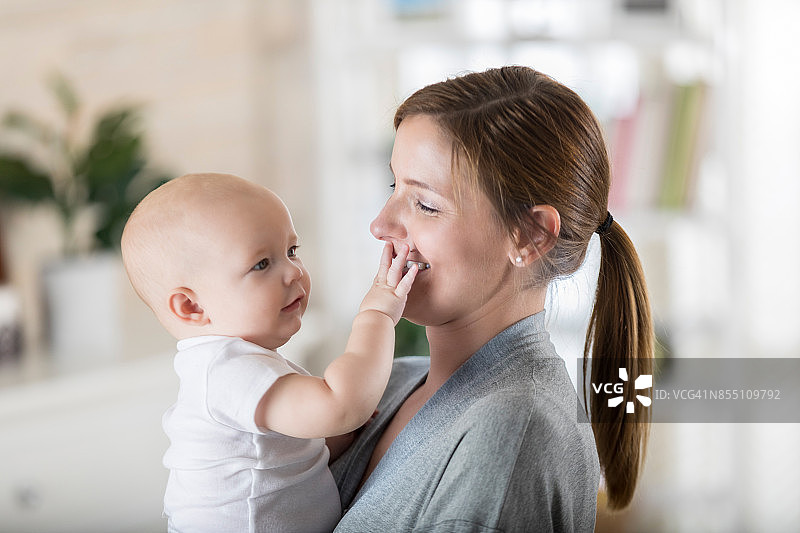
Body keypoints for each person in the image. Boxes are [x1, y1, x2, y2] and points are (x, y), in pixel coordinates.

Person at [330, 66, 654, 532]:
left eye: (425, 204)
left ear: (531, 236)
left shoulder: (514, 430)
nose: (380, 225)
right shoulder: (392, 384)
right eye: (393, 187)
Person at [120, 172, 417, 533]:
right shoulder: (228, 370)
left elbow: (280, 454)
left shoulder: (237, 364)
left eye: (292, 251)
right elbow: (341, 406)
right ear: (192, 306)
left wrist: (335, 438)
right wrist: (377, 315)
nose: (293, 272)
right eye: (262, 264)